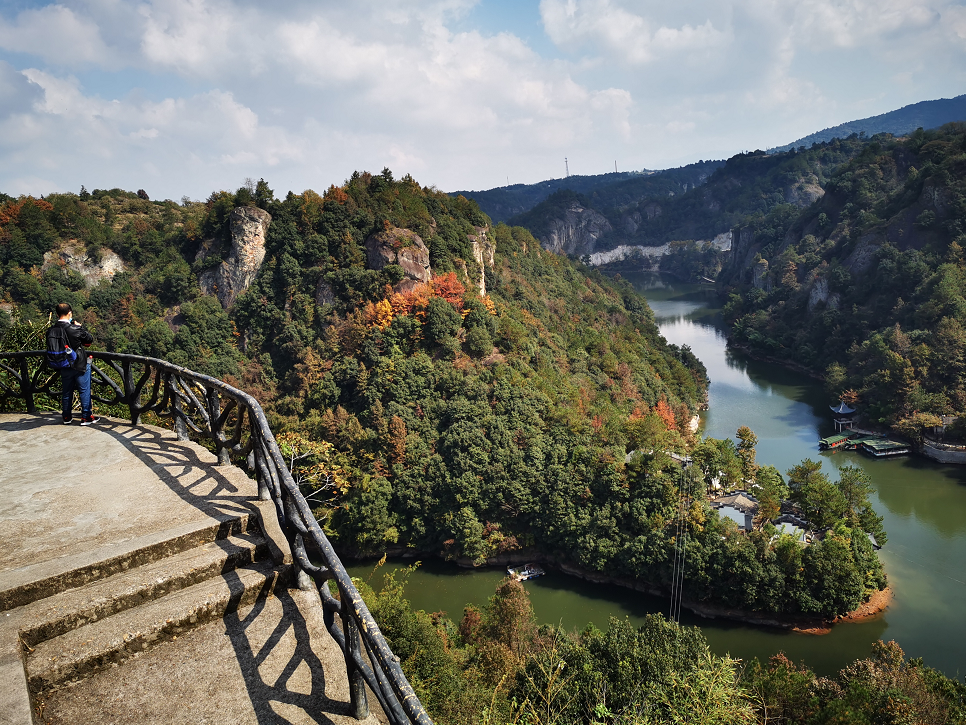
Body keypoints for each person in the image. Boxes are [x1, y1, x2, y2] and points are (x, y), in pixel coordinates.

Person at [48, 303, 97, 425]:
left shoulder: (51, 330)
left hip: (63, 364)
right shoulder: (74, 329)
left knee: (66, 391)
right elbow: (89, 339)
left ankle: (66, 416)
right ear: (70, 312)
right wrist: (80, 328)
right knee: (84, 390)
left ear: (57, 314)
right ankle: (86, 417)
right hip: (78, 364)